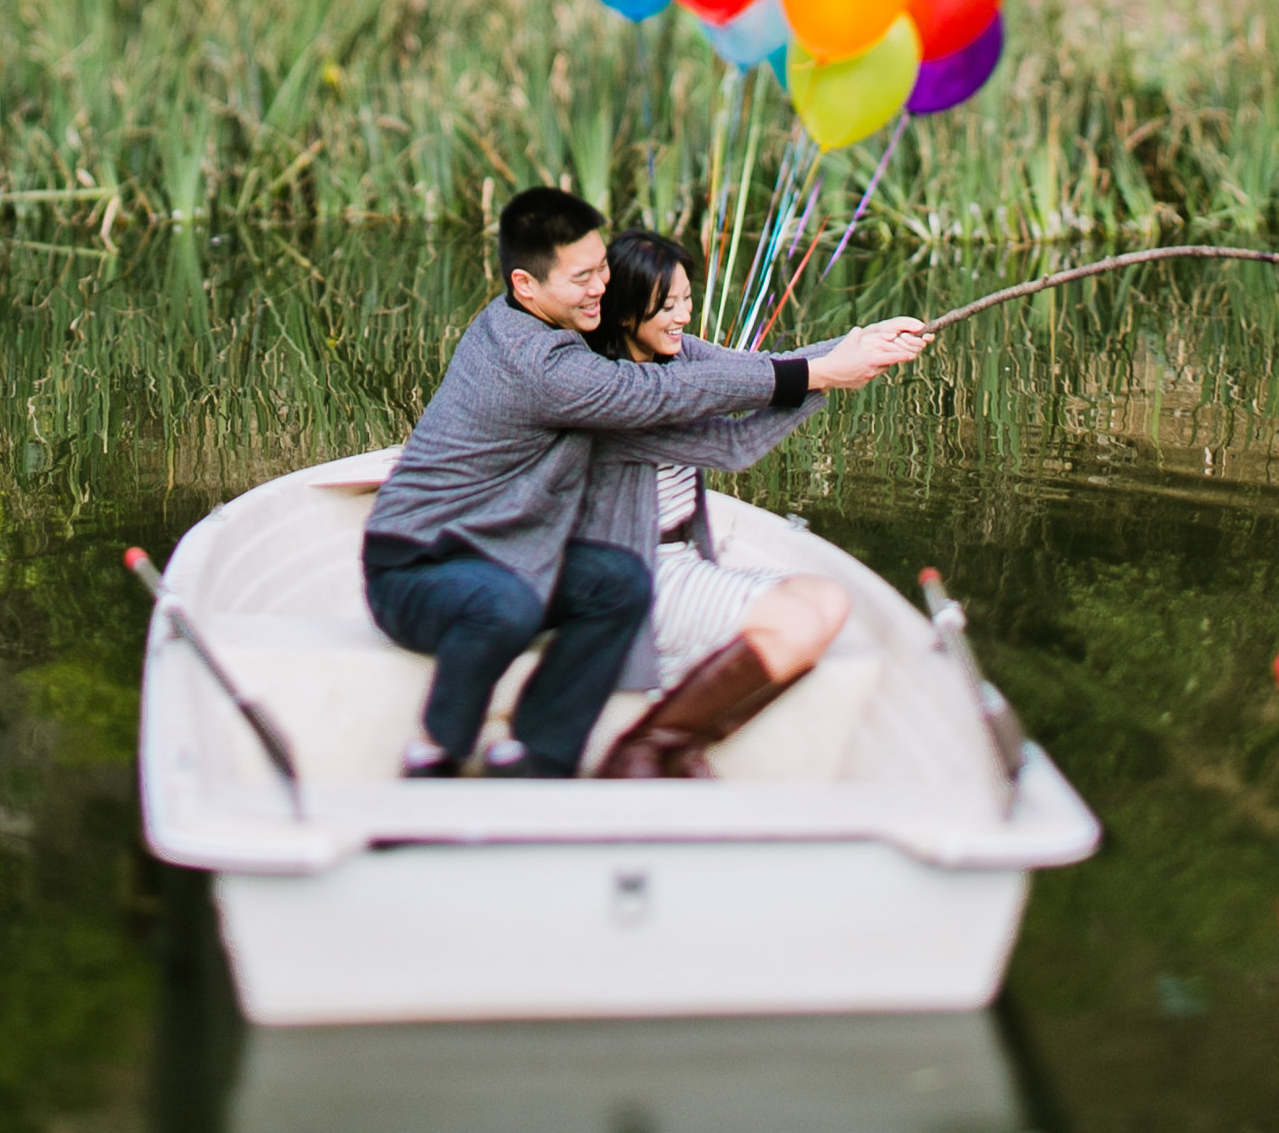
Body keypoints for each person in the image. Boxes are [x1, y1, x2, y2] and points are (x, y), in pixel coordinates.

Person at [363, 186, 928, 779]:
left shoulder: (592, 339)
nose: (599, 287)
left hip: (502, 546)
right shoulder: (547, 367)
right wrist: (825, 376)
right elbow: (673, 405)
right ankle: (437, 753)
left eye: (602, 267)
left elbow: (736, 370)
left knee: (616, 581)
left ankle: (536, 754)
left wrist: (852, 348)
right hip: (420, 563)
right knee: (505, 603)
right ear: (527, 285)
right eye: (581, 277)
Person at [576, 229, 854, 779]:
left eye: (686, 299)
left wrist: (859, 344)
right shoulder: (612, 392)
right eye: (667, 305)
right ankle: (641, 750)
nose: (683, 316)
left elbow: (761, 369)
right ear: (627, 312)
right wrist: (833, 379)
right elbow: (734, 445)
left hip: (683, 560)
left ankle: (678, 747)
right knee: (797, 625)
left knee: (830, 601)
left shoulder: (674, 353)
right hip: (636, 572)